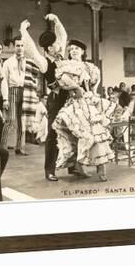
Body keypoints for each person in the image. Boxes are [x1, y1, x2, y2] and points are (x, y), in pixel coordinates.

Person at [18, 14, 78, 182]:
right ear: (49, 48)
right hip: (57, 100)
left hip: (71, 98)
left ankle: (73, 166)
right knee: (53, 133)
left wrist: (57, 20)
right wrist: (23, 30)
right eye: (55, 44)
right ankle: (49, 170)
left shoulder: (62, 57)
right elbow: (30, 48)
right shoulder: (44, 62)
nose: (59, 45)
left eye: (58, 44)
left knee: (74, 130)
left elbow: (63, 35)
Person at [52, 39, 115, 182]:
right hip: (75, 103)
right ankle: (79, 167)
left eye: (77, 48)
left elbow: (93, 86)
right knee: (81, 134)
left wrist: (93, 95)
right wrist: (76, 87)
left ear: (82, 51)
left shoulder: (90, 67)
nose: (73, 51)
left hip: (89, 102)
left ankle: (101, 166)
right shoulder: (66, 66)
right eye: (71, 49)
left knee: (97, 132)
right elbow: (65, 82)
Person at [0, 36, 40, 155]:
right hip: (12, 91)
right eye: (18, 45)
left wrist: (34, 95)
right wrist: (5, 98)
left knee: (22, 121)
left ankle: (19, 147)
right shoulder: (8, 62)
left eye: (22, 45)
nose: (20, 48)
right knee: (10, 120)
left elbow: (35, 79)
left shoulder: (30, 62)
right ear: (13, 47)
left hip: (26, 92)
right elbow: (4, 81)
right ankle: (2, 148)